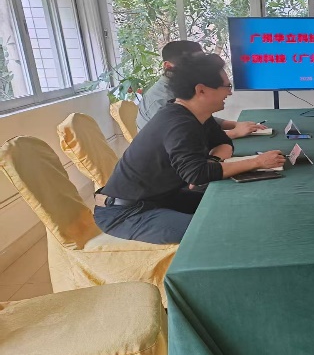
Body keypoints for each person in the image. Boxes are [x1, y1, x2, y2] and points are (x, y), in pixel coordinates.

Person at [95, 53, 286, 244]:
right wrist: (257, 162)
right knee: (220, 228)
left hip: (162, 197)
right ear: (201, 90)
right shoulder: (178, 123)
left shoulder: (197, 114)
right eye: (227, 87)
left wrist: (212, 162)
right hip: (127, 213)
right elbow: (197, 175)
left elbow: (224, 144)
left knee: (235, 206)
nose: (229, 93)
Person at [137, 40, 265, 139]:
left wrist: (234, 125)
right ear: (168, 66)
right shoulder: (161, 101)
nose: (198, 69)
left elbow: (199, 119)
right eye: (189, 65)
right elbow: (183, 139)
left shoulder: (189, 86)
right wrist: (234, 133)